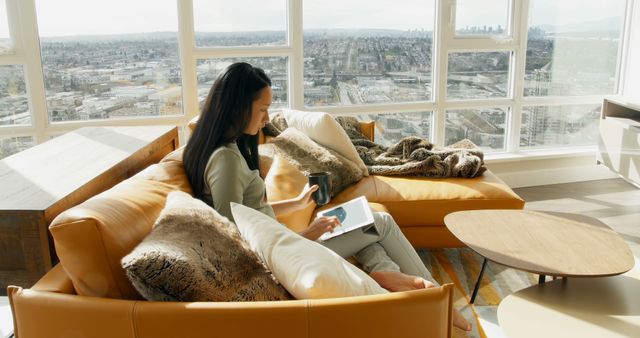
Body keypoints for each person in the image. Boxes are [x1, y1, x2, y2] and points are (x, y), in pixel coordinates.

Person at [183, 62, 471, 331]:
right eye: (262, 110)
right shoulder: (225, 160)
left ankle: (385, 275)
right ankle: (437, 300)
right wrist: (305, 235)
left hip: (284, 243)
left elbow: (251, 215)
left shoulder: (227, 150)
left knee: (365, 228)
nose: (267, 119)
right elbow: (235, 237)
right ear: (237, 107)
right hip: (285, 256)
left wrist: (295, 204)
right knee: (379, 222)